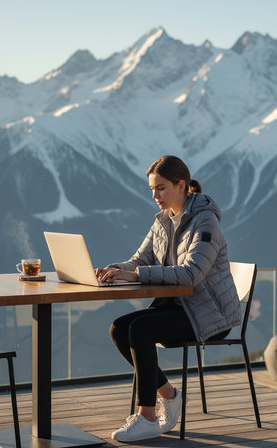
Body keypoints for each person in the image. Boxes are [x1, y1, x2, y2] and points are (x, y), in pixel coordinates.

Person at [96, 155, 241, 442]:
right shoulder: (163, 221)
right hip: (179, 306)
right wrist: (114, 270)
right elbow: (139, 259)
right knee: (119, 328)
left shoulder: (206, 222)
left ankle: (147, 417)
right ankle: (170, 396)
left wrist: (135, 275)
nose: (154, 196)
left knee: (141, 330)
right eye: (152, 189)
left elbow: (191, 274)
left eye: (161, 188)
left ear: (181, 185)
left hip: (209, 314)